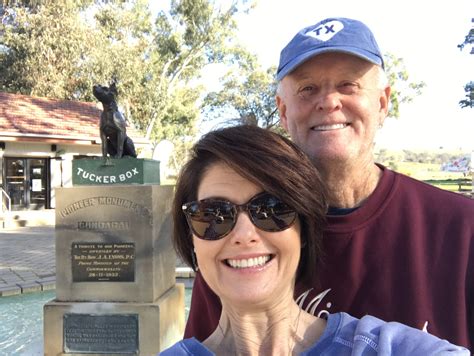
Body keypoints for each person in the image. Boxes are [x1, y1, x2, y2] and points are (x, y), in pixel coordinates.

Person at [184, 17, 474, 349]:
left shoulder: (463, 227)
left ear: (382, 102)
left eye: (348, 85)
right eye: (308, 89)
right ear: (282, 111)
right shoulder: (238, 243)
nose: (329, 102)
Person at [161, 125, 468, 355]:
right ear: (192, 238)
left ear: (304, 230)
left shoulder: (385, 349)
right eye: (214, 214)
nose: (243, 235)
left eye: (271, 209)